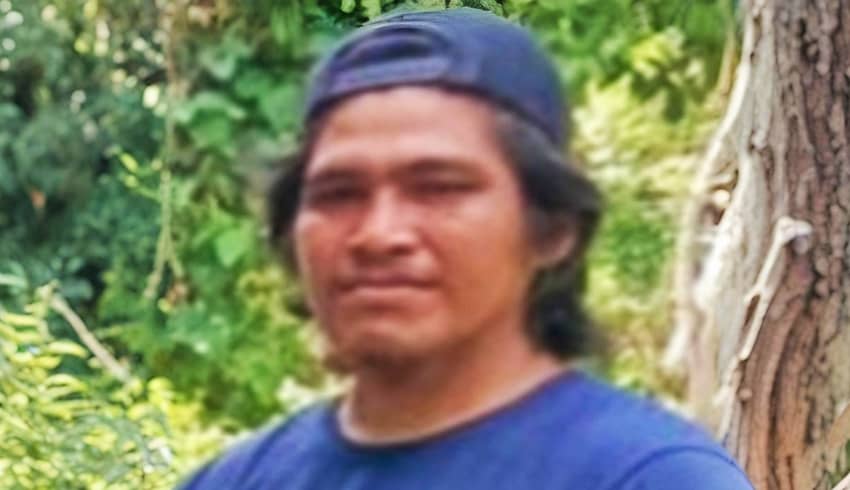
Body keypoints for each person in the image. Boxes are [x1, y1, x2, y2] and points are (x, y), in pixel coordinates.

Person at [180, 7, 753, 490]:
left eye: (438, 188)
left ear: (551, 230)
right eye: (338, 193)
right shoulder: (234, 481)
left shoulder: (649, 476)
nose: (379, 234)